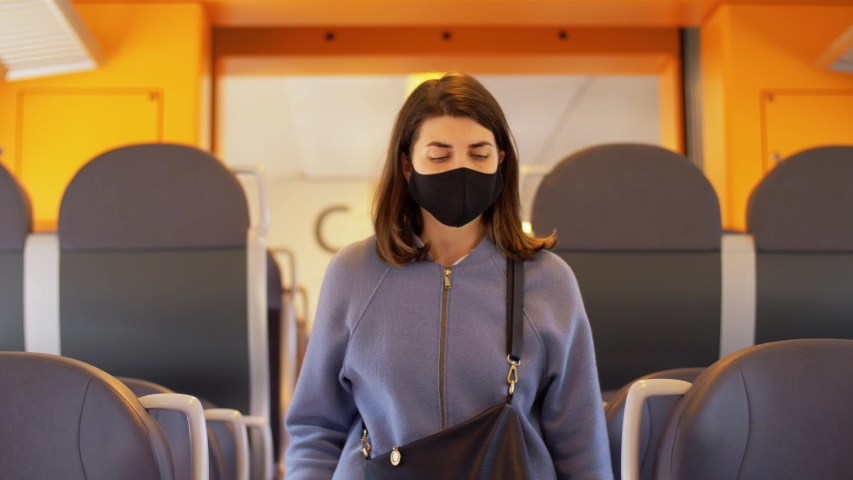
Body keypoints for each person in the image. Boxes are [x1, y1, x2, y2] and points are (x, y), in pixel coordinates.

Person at [284, 73, 612, 479]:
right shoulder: (353, 274)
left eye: (479, 154)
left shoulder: (548, 281)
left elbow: (580, 442)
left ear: (501, 162)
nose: (461, 170)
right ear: (407, 166)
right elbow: (316, 427)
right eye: (440, 156)